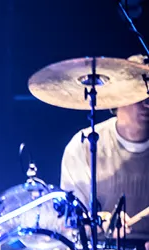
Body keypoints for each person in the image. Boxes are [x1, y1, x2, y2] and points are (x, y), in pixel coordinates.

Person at [59, 57, 149, 239]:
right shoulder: (84, 145)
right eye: (138, 93)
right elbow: (70, 224)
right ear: (117, 97)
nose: (147, 103)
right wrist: (101, 222)